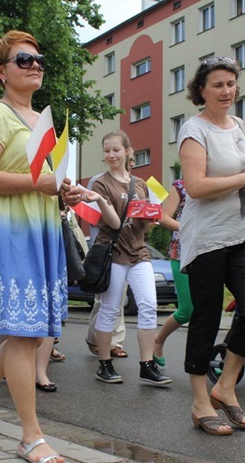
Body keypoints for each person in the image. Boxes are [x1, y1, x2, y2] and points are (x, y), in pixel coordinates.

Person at [0, 30, 76, 463]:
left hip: (40, 227)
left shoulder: (40, 120)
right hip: (7, 230)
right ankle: (30, 436)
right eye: (24, 60)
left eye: (38, 58)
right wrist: (43, 183)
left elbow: (41, 179)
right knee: (26, 332)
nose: (35, 65)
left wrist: (66, 191)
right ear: (1, 72)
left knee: (25, 329)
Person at [178, 56, 245, 435]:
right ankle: (199, 400)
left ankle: (225, 386)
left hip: (239, 234)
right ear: (201, 90)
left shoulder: (237, 124)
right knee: (206, 316)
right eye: (218, 84)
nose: (226, 91)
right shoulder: (194, 130)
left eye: (231, 84)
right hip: (206, 238)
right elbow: (195, 186)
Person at [81, 130, 171, 386]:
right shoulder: (100, 183)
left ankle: (147, 365)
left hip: (139, 250)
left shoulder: (141, 184)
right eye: (107, 151)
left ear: (128, 152)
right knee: (110, 309)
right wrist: (99, 200)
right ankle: (105, 364)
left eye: (116, 150)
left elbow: (148, 223)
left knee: (149, 307)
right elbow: (113, 222)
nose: (111, 155)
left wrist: (149, 216)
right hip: (114, 252)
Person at [83, 158, 131, 359]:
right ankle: (95, 338)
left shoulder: (134, 183)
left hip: (127, 249)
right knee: (105, 299)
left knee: (120, 297)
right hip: (104, 250)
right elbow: (90, 215)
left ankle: (115, 341)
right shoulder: (98, 181)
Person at [153, 178, 191, 366]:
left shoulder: (220, 180)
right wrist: (188, 228)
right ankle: (158, 340)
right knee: (187, 310)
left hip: (213, 250)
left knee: (210, 311)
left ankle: (209, 359)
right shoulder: (180, 185)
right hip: (182, 253)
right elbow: (164, 217)